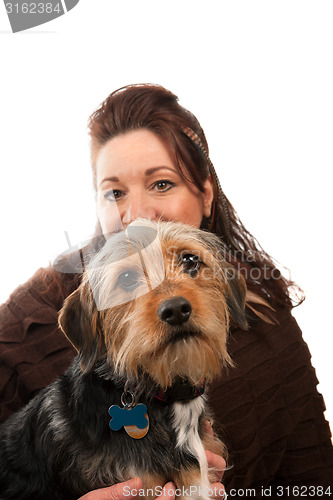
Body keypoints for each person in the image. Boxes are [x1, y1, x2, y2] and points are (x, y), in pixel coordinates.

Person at [0, 84, 332, 499]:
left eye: (161, 184)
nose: (137, 213)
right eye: (114, 192)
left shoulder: (267, 314)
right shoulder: (23, 327)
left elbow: (313, 479)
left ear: (205, 195)